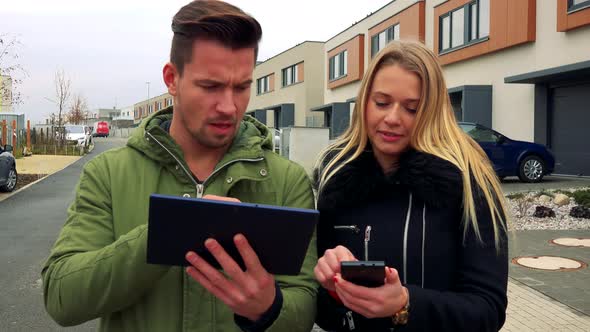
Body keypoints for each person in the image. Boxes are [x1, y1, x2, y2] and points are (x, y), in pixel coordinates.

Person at [41, 1, 318, 331]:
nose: (229, 107)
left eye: (242, 86)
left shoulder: (287, 182)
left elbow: (303, 307)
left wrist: (268, 308)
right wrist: (169, 231)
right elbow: (62, 297)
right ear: (172, 79)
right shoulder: (109, 174)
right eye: (210, 86)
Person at [313, 41, 509, 331]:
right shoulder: (336, 175)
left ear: (432, 111)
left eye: (412, 108)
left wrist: (405, 303)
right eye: (381, 102)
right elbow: (323, 312)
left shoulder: (468, 180)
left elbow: (487, 311)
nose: (392, 118)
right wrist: (332, 286)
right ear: (365, 101)